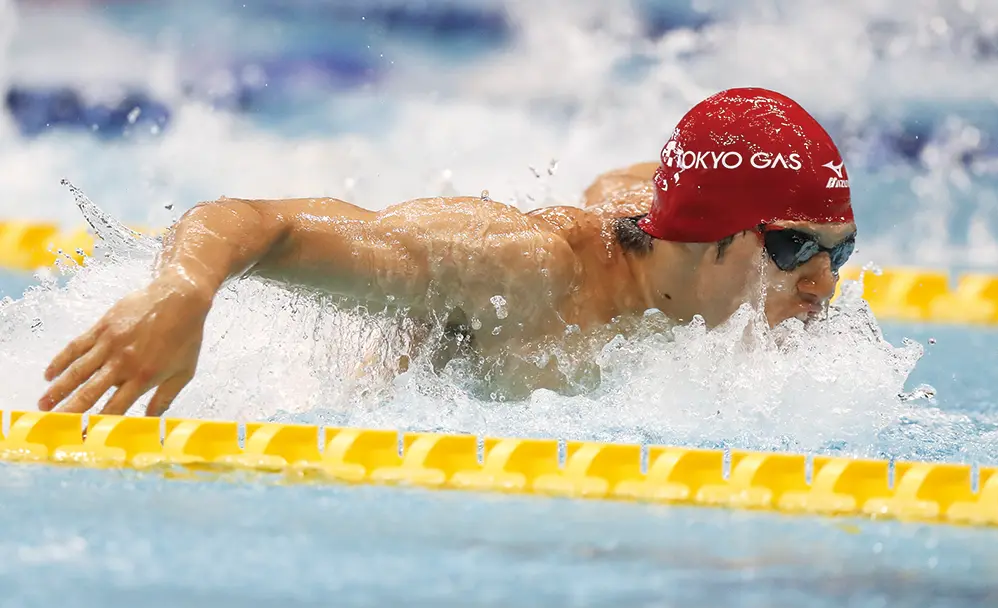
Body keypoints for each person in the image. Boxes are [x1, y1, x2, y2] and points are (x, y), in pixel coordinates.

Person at [37, 87, 858, 417]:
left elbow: (642, 191)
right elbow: (260, 222)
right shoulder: (519, 269)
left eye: (840, 250)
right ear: (707, 236)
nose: (825, 285)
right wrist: (183, 292)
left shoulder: (688, 266)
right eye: (796, 249)